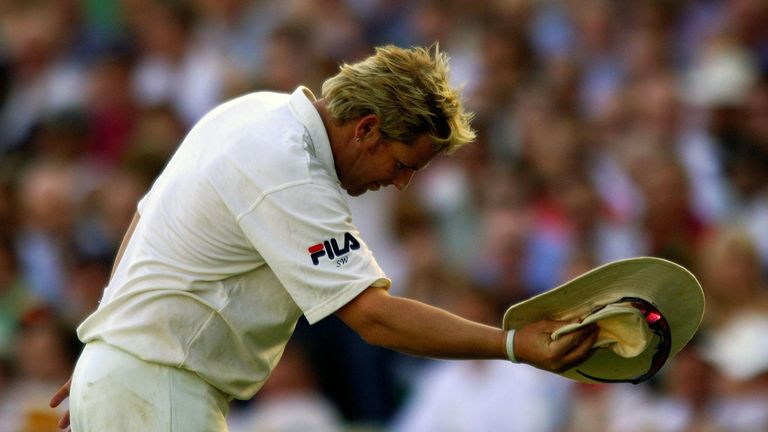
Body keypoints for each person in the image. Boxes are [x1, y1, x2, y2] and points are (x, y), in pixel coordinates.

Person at [49, 45, 598, 431]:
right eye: (405, 163)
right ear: (365, 128)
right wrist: (513, 344)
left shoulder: (250, 109)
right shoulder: (291, 171)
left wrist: (112, 348)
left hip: (124, 378)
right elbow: (374, 319)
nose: (402, 182)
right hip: (158, 390)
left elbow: (145, 222)